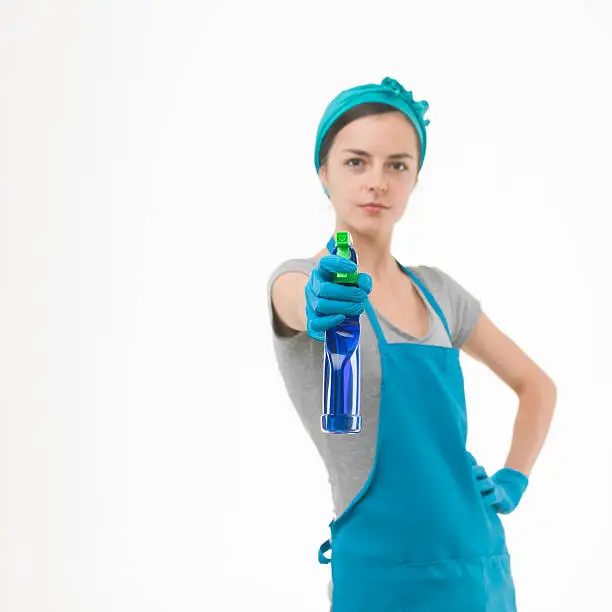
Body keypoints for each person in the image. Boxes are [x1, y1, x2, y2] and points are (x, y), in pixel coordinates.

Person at [266, 76, 557, 611]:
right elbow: (295, 301)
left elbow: (536, 386)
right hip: (381, 576)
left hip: (478, 564)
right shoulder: (300, 280)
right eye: (356, 161)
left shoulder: (442, 294)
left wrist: (513, 477)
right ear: (323, 173)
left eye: (396, 165)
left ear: (414, 179)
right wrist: (318, 302)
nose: (376, 181)